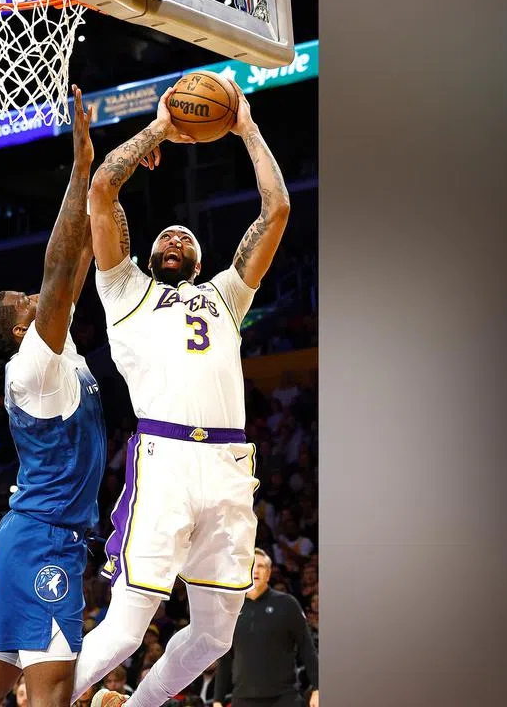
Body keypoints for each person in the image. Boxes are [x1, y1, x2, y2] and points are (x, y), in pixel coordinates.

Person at [72, 84, 292, 707]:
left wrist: (246, 127)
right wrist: (160, 128)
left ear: (198, 260)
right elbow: (102, 189)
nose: (174, 239)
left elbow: (276, 210)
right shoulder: (124, 290)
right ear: (147, 255)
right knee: (125, 629)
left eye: (185, 239)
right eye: (165, 237)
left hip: (227, 465)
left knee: (216, 635)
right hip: (165, 459)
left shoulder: (226, 295)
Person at [0, 88, 117, 707]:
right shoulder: (32, 368)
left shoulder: (55, 350)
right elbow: (58, 267)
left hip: (34, 537)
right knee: (51, 695)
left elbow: (77, 261)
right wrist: (79, 168)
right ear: (21, 331)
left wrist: (105, 187)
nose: (33, 296)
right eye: (24, 302)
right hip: (44, 540)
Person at [212, 550, 319, 707]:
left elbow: (307, 648)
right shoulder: (231, 609)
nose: (255, 570)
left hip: (283, 698)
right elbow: (225, 658)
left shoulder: (287, 604)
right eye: (251, 566)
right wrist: (217, 699)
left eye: (261, 566)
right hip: (243, 699)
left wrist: (317, 687)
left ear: (268, 574)